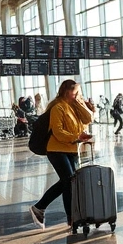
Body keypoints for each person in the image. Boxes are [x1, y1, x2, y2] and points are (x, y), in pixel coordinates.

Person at [29, 79, 94, 231]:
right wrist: (76, 138)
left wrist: (80, 103)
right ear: (67, 92)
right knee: (69, 180)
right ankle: (41, 208)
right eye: (76, 92)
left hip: (71, 149)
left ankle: (69, 218)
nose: (79, 95)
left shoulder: (74, 107)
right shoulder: (58, 108)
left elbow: (89, 118)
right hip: (56, 149)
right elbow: (58, 132)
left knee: (69, 183)